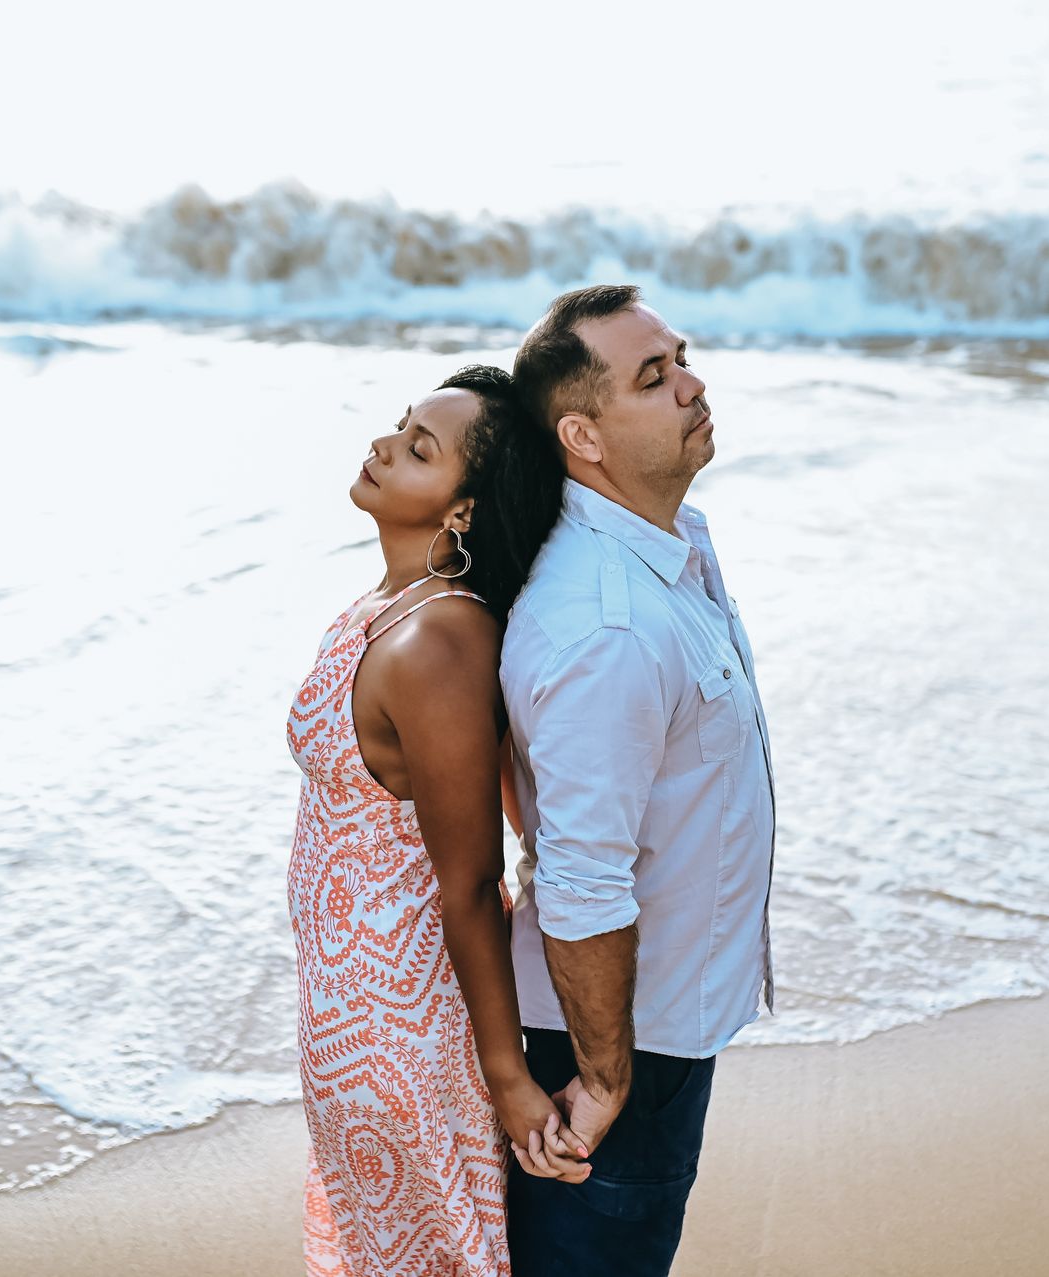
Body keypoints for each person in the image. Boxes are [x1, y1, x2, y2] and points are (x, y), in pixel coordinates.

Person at [499, 286, 778, 1276]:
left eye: (683, 359)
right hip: (606, 1041)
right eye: (653, 378)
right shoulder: (606, 627)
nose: (693, 385)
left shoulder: (674, 541)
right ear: (582, 433)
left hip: (647, 1019)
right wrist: (607, 1074)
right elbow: (580, 879)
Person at [284, 364, 581, 1276]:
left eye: (420, 449)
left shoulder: (439, 643)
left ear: (463, 513)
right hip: (349, 1022)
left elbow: (468, 882)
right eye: (400, 426)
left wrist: (508, 1078)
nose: (384, 445)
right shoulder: (385, 610)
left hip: (405, 1040)